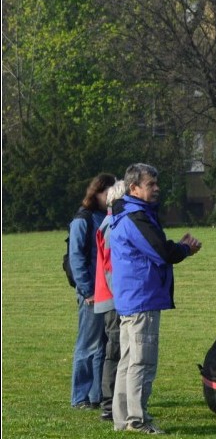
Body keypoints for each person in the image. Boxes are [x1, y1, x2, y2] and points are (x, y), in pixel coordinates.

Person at [109, 164, 202, 434]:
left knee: (128, 361)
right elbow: (160, 251)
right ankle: (137, 421)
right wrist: (185, 248)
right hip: (142, 299)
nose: (157, 188)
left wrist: (177, 247)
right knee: (141, 362)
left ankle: (123, 418)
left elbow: (153, 247)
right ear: (133, 187)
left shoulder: (128, 214)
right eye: (151, 184)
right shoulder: (135, 216)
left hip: (133, 297)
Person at [69, 173, 116, 410]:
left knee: (103, 345)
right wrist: (87, 290)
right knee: (87, 345)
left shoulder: (107, 216)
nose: (110, 196)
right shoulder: (83, 219)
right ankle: (80, 397)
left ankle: (96, 395)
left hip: (106, 291)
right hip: (91, 293)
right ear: (96, 192)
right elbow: (76, 258)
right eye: (106, 191)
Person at [93, 179, 128, 421]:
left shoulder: (109, 223)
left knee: (114, 349)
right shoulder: (111, 225)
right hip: (114, 298)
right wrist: (122, 297)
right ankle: (108, 403)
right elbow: (110, 267)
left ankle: (112, 401)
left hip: (111, 296)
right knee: (114, 350)